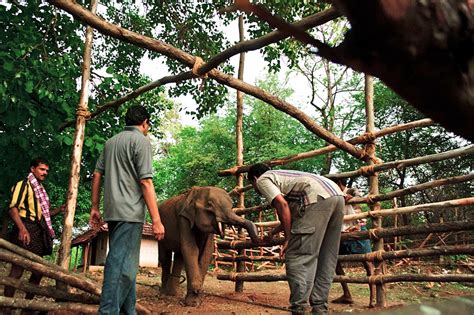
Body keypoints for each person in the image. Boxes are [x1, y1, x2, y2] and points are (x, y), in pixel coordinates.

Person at [89, 105, 165, 314]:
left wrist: (95, 207)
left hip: (113, 212)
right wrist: (156, 220)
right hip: (130, 214)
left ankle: (127, 311)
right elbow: (146, 182)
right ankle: (107, 312)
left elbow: (97, 175)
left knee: (127, 265)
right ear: (144, 123)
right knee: (120, 267)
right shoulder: (141, 141)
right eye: (148, 125)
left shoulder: (110, 142)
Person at [247, 163, 344, 315]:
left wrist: (288, 238)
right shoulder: (285, 178)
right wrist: (273, 233)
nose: (256, 188)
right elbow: (291, 215)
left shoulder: (263, 179)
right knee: (327, 256)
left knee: (298, 255)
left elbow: (282, 205)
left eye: (253, 185)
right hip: (336, 195)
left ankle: (298, 309)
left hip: (316, 197)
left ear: (254, 178)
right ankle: (320, 307)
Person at [4, 157, 65, 312]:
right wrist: (22, 229)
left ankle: (27, 308)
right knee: (18, 269)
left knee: (38, 272)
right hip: (24, 228)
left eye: (46, 170)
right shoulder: (23, 185)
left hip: (38, 231)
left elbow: (42, 215)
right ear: (32, 169)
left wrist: (59, 210)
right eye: (42, 169)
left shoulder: (40, 191)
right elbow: (12, 208)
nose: (45, 173)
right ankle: (6, 307)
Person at [332, 179, 374, 307]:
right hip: (341, 232)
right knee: (335, 261)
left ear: (339, 183)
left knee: (367, 262)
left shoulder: (349, 191)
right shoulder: (332, 196)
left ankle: (373, 298)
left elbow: (359, 194)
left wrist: (352, 196)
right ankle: (347, 294)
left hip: (357, 230)